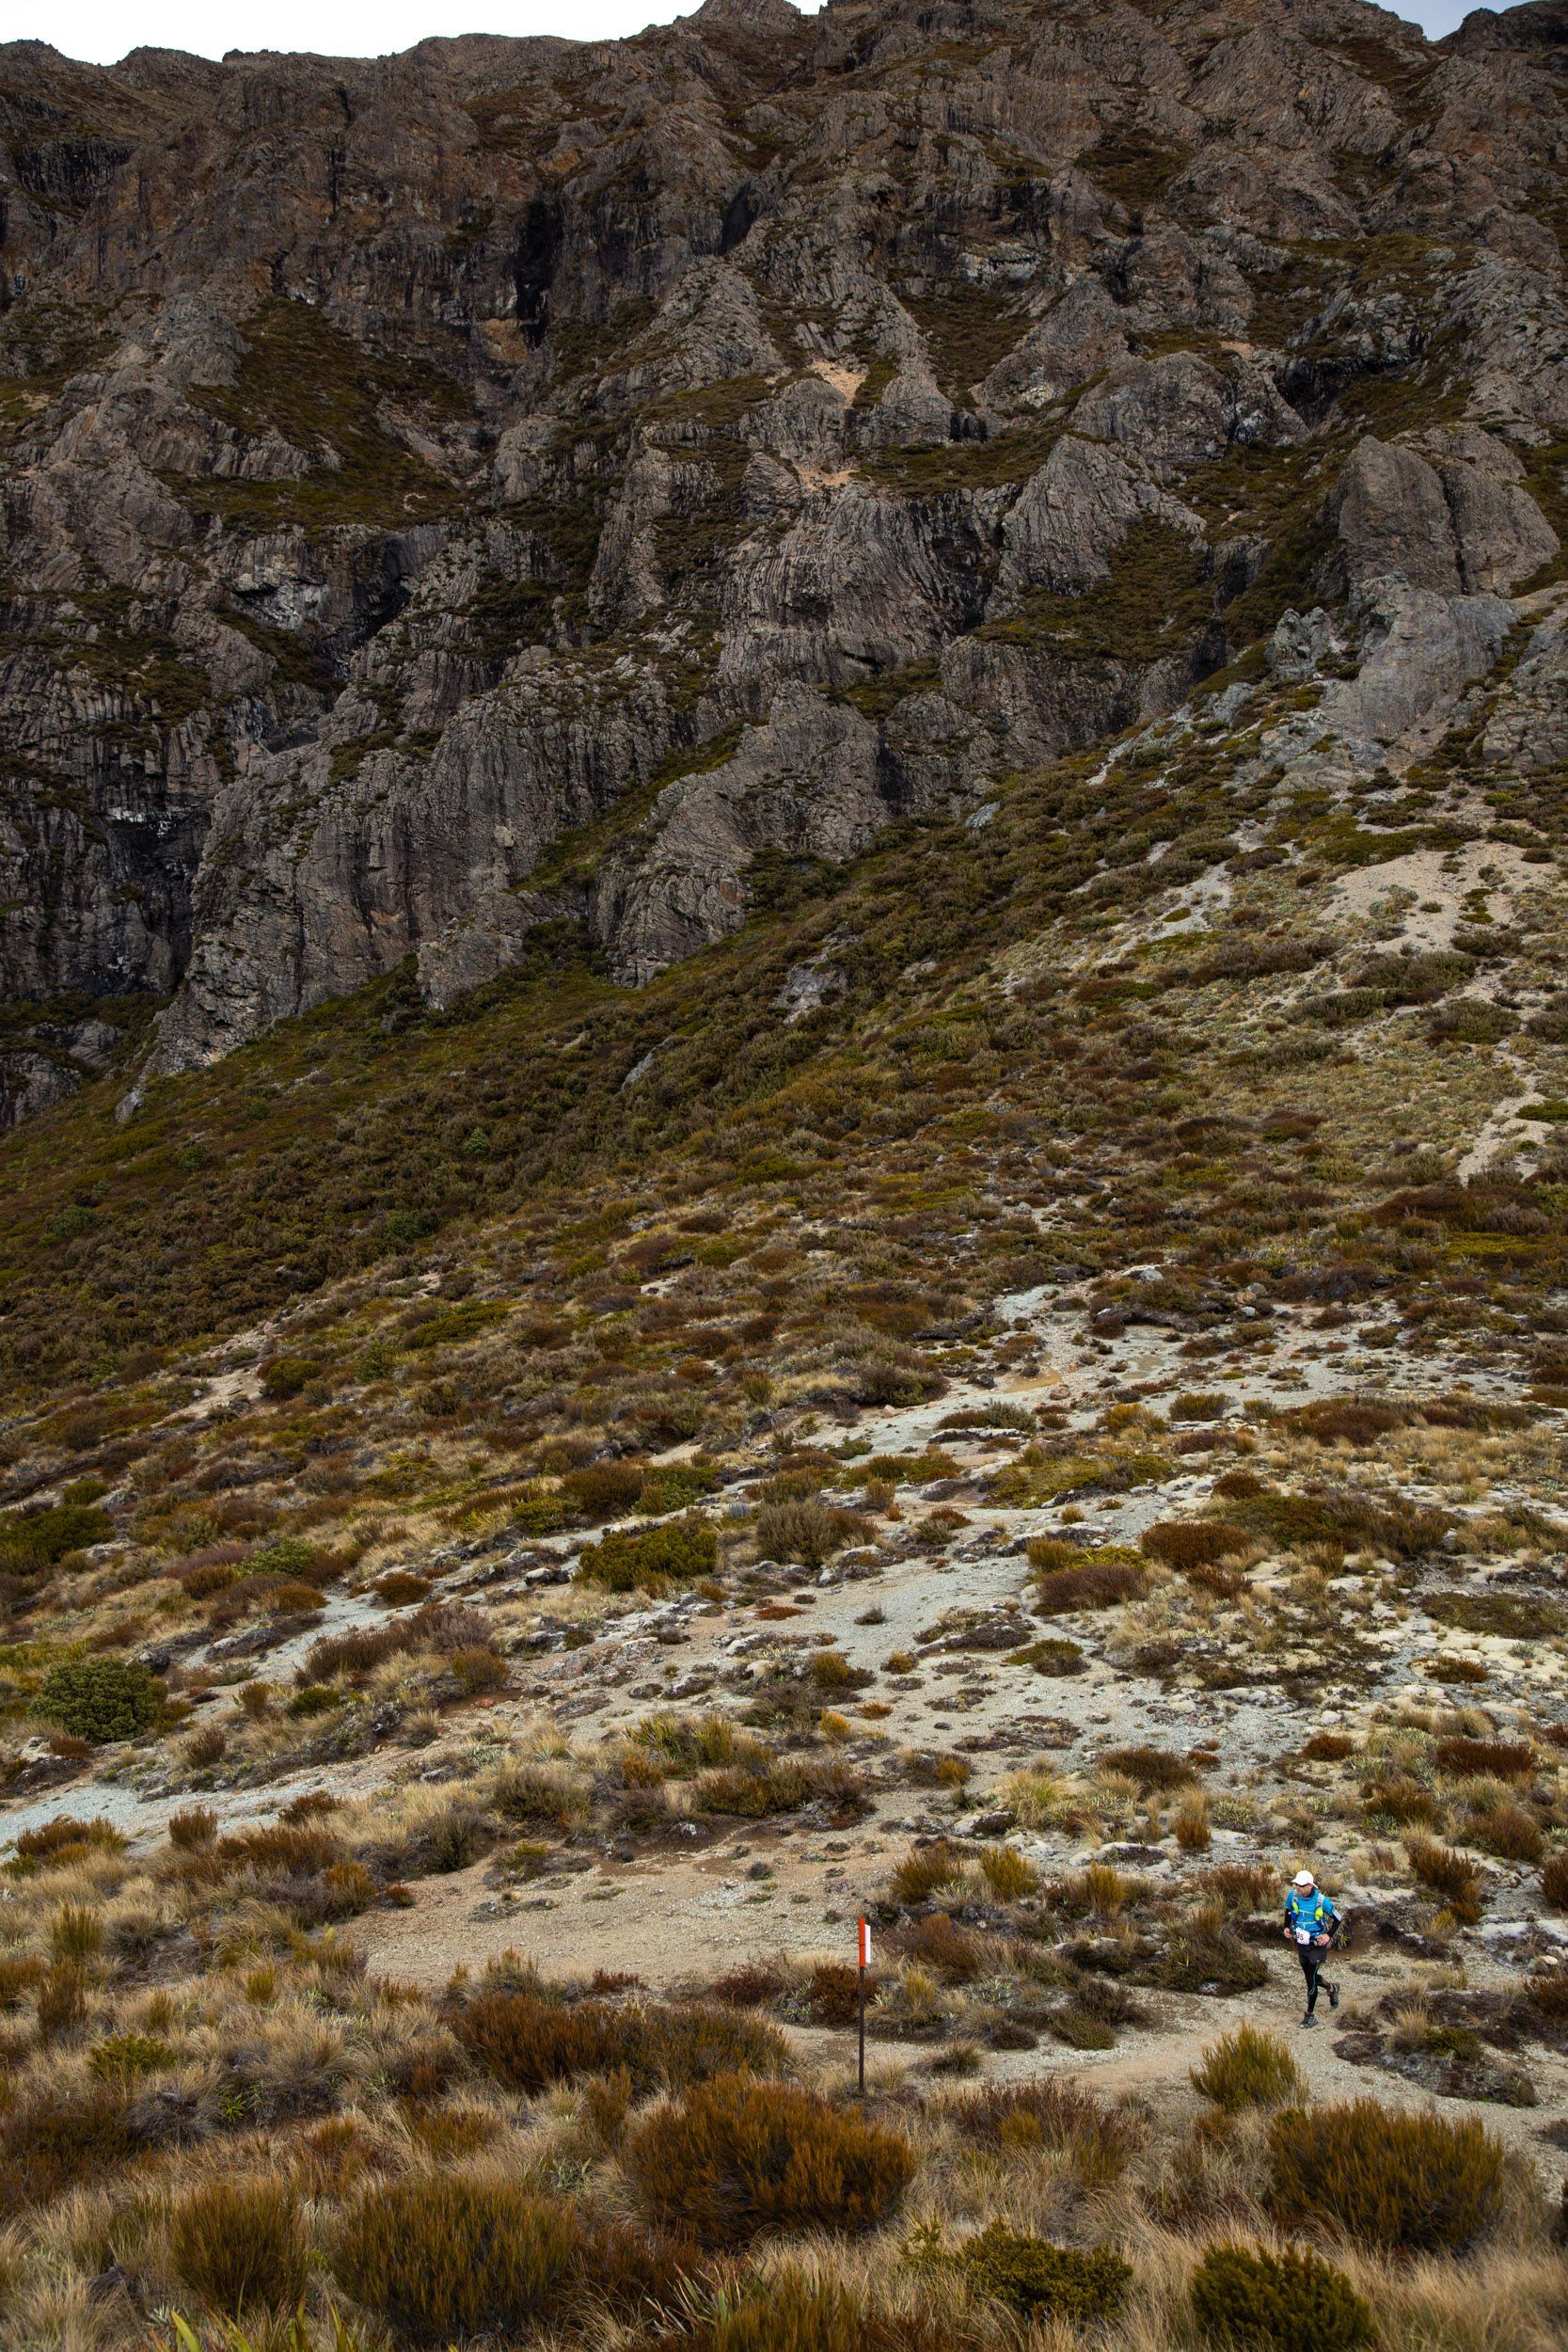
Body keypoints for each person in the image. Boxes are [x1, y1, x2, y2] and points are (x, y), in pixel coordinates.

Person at [1283, 1867, 1341, 2027]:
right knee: (1311, 1976)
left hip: (1317, 1944)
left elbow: (1338, 1918)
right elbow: (1288, 1910)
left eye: (1301, 1885)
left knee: (1310, 1981)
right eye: (1297, 1885)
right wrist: (1286, 1927)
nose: (1298, 1888)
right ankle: (1332, 1988)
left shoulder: (1322, 1901)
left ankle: (1310, 2015)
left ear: (1310, 1886)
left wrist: (1328, 1935)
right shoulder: (1293, 1895)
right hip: (1302, 1942)